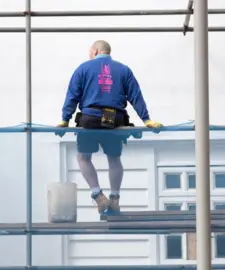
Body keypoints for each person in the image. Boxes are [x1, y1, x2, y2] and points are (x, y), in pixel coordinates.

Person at [57, 40, 162, 214]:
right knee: (113, 158)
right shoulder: (123, 69)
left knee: (83, 158)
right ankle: (115, 198)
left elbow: (72, 94)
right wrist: (146, 119)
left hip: (90, 117)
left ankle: (98, 196)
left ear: (96, 51)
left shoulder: (83, 68)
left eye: (90, 52)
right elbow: (135, 95)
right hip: (112, 118)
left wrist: (64, 119)